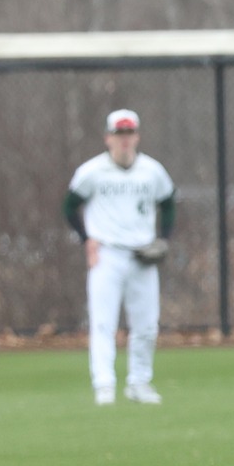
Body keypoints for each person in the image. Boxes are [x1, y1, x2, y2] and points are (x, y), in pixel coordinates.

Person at [64, 108, 176, 405]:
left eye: (129, 134)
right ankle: (104, 384)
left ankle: (139, 382)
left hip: (142, 254)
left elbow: (168, 202)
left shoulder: (152, 171)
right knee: (103, 323)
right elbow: (69, 205)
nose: (124, 140)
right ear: (108, 138)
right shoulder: (92, 172)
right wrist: (86, 239)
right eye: (119, 134)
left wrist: (163, 239)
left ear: (137, 137)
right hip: (107, 254)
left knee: (147, 324)